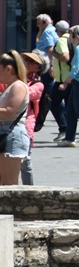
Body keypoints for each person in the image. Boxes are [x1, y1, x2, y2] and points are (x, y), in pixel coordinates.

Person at [0, 51, 30, 185]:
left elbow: (9, 112)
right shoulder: (10, 87)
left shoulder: (18, 86)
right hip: (6, 134)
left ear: (9, 69)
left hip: (12, 135)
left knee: (9, 184)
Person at [18, 52, 47, 183]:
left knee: (25, 161)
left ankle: (29, 190)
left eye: (31, 62)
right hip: (10, 124)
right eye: (26, 60)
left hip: (26, 125)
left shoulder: (38, 84)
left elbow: (25, 94)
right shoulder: (15, 78)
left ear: (38, 68)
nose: (27, 63)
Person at [49, 20, 72, 141]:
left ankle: (64, 128)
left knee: (53, 103)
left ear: (58, 31)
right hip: (70, 77)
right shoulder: (72, 39)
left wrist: (54, 54)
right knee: (69, 106)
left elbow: (65, 57)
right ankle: (69, 131)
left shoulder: (62, 40)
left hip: (63, 78)